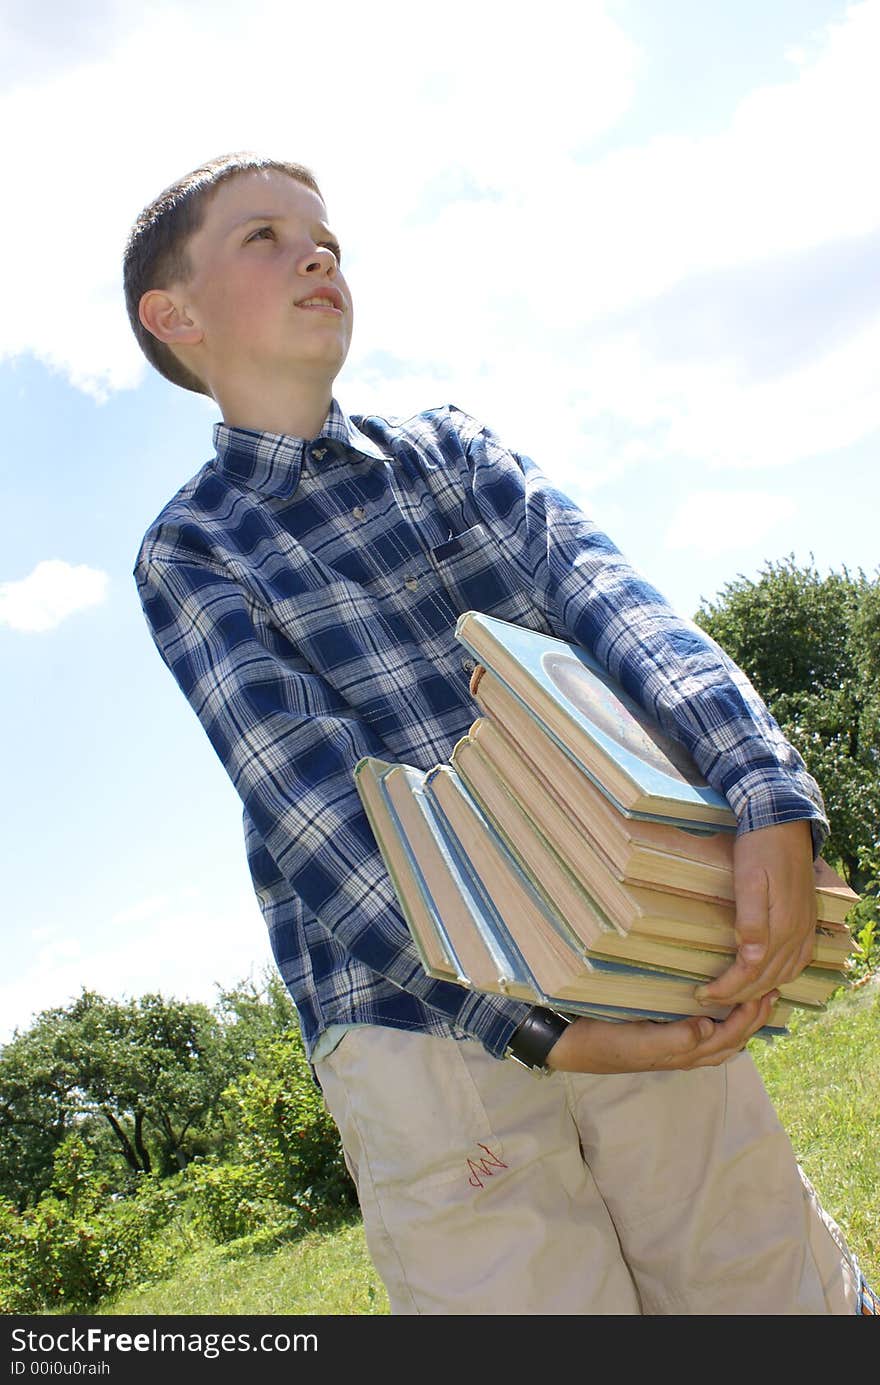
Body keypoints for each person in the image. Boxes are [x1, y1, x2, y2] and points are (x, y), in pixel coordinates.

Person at [124, 151, 875, 1315]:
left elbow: (615, 604)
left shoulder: (454, 455)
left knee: (757, 1272)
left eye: (325, 236)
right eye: (263, 237)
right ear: (173, 317)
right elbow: (312, 809)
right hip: (418, 1025)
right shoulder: (195, 549)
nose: (317, 251)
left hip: (634, 946)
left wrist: (762, 783)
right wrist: (518, 1023)